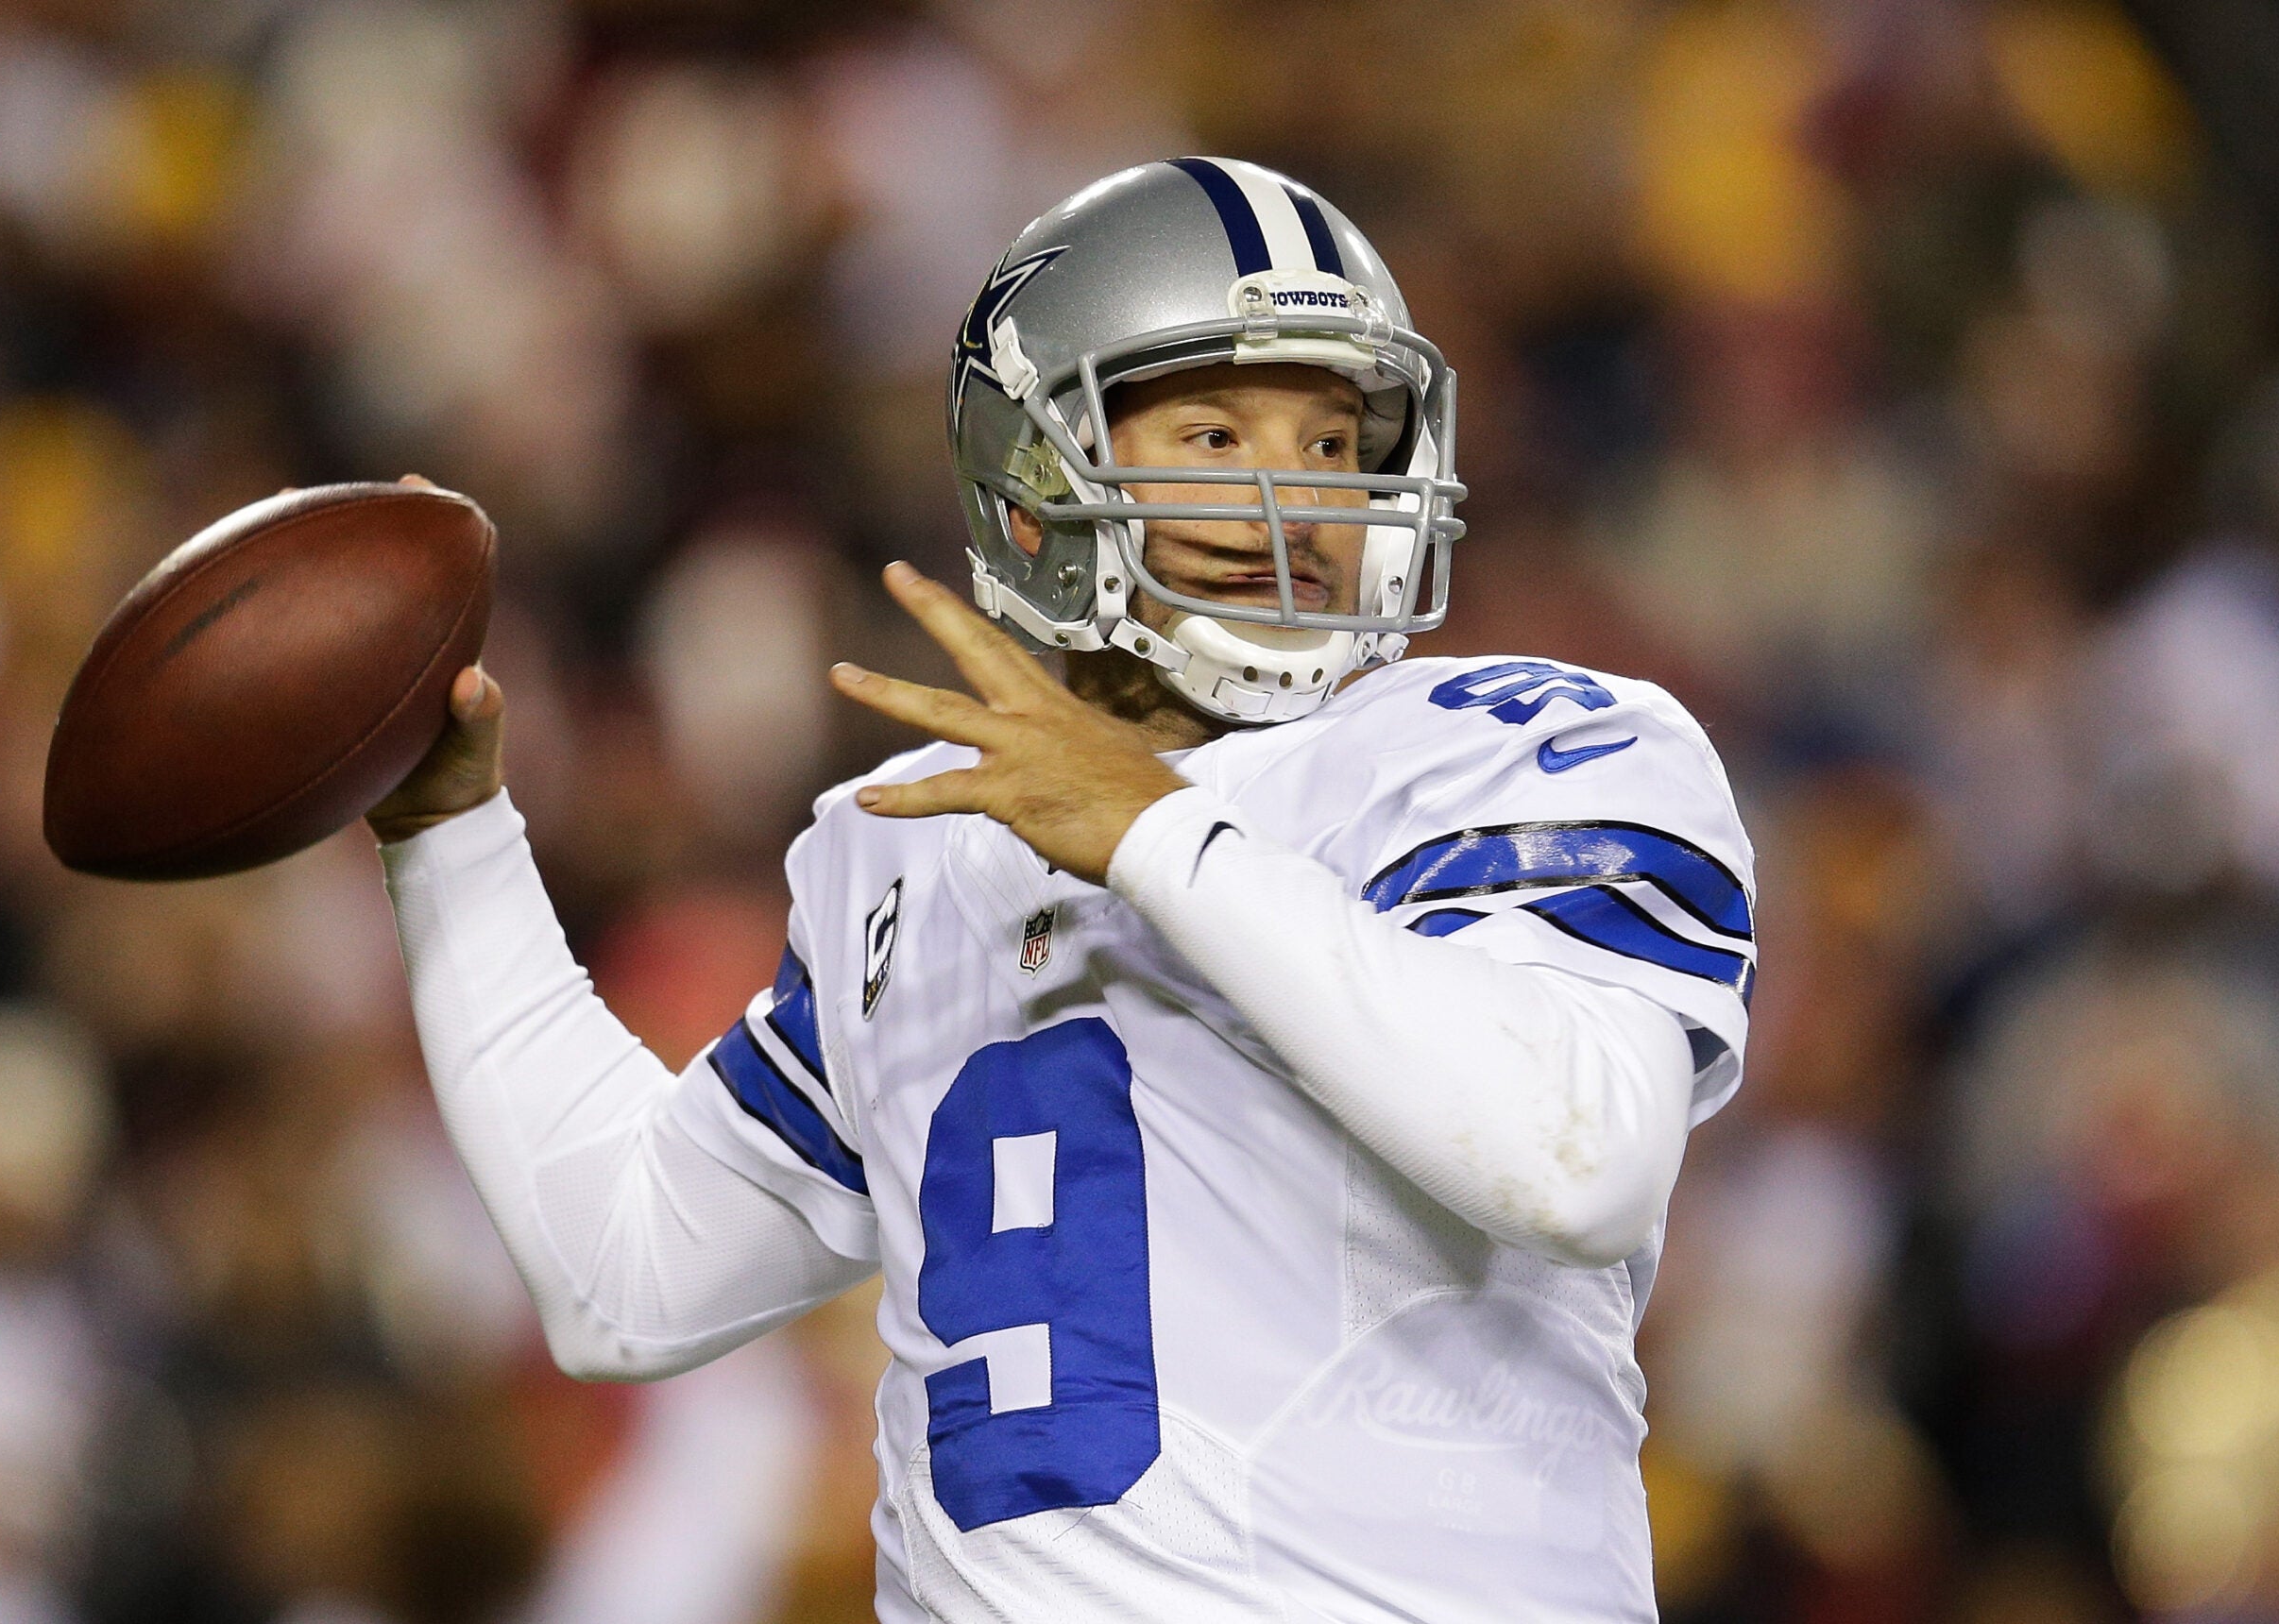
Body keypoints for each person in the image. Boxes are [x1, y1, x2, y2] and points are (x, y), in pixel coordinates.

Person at [369, 159, 1757, 1622]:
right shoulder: (905, 845)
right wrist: (450, 839)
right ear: (1036, 473)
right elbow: (627, 1276)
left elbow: (1580, 1155)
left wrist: (1156, 835)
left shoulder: (1511, 749)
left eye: (1337, 439)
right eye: (1214, 433)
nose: (1294, 497)